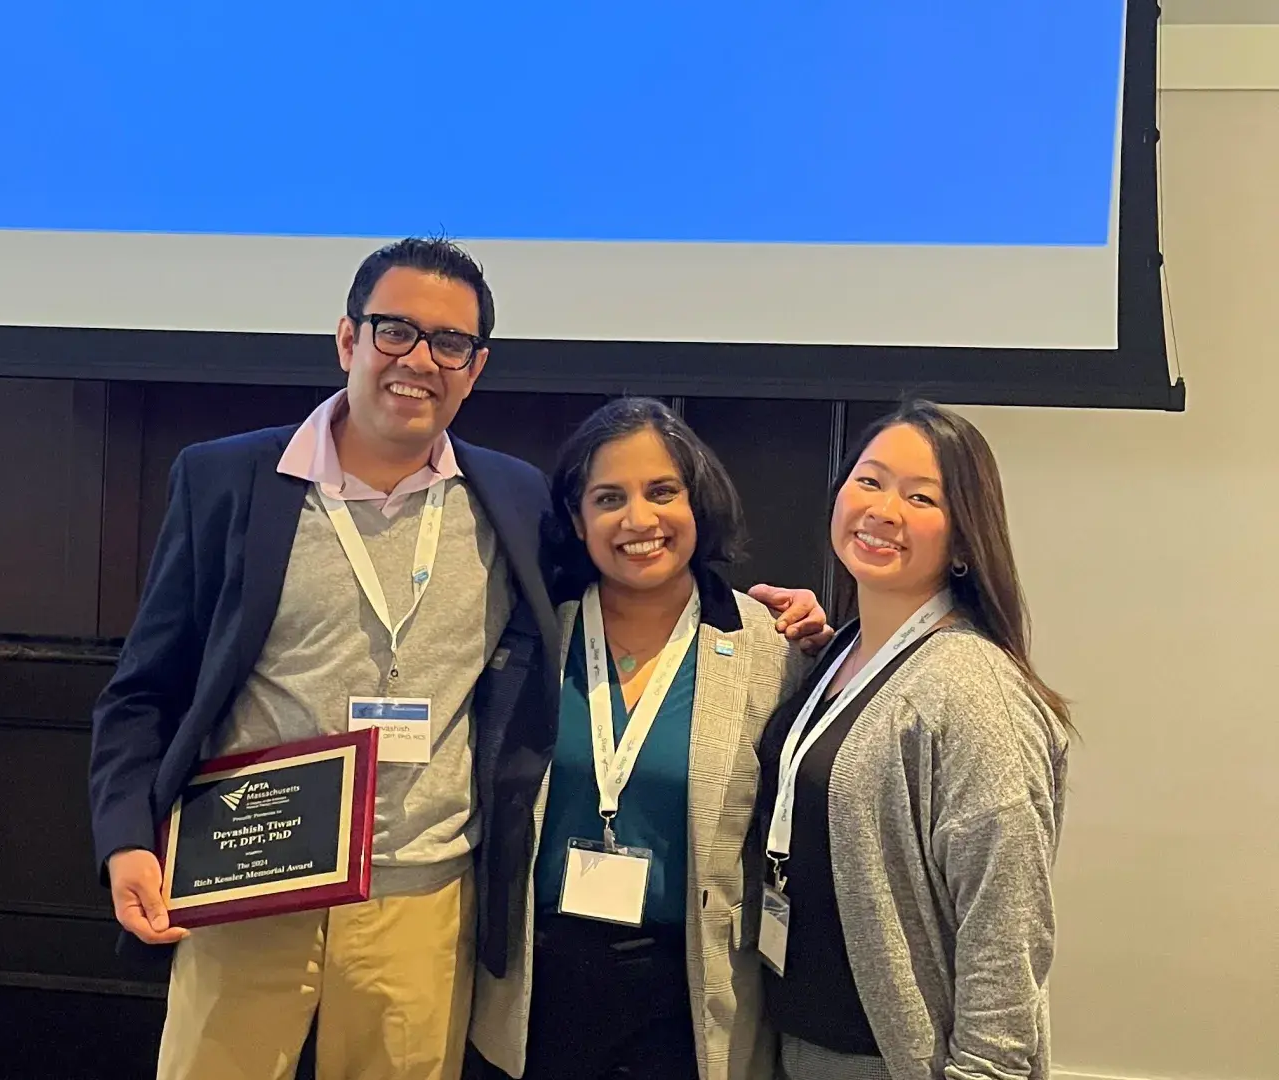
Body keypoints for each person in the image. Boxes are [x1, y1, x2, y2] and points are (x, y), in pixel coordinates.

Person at [86, 238, 827, 1080]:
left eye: (450, 344)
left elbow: (638, 572)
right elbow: (143, 690)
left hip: (424, 900)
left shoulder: (509, 500)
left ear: (475, 368)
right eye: (395, 332)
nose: (420, 361)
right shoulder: (225, 482)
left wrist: (779, 616)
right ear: (347, 340)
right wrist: (125, 841)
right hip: (250, 882)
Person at [471, 398, 824, 1080]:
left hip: (689, 996)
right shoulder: (533, 636)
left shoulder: (768, 649)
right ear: (576, 520)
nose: (639, 520)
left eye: (662, 492)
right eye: (609, 498)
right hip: (537, 990)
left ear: (699, 502)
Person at [752, 401, 1071, 1080]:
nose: (884, 509)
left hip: (893, 1060)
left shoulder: (973, 689)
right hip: (796, 1042)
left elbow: (1005, 933)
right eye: (869, 481)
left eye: (920, 497)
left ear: (962, 540)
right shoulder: (839, 652)